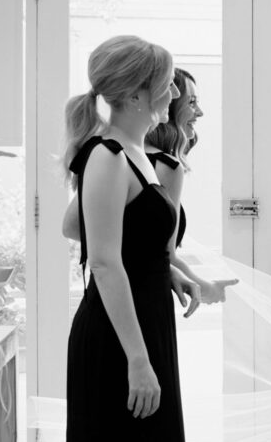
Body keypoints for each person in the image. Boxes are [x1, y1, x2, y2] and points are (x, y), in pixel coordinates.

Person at [51, 35, 190, 442]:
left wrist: (184, 278)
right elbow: (103, 263)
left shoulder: (131, 151)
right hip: (118, 340)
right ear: (136, 92)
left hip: (143, 326)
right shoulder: (107, 155)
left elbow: (129, 244)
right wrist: (138, 359)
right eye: (166, 83)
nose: (175, 93)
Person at [63, 66, 236, 307]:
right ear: (168, 106)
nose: (200, 112)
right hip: (140, 299)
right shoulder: (164, 166)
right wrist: (207, 289)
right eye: (192, 102)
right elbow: (165, 255)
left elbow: (72, 227)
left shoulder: (118, 155)